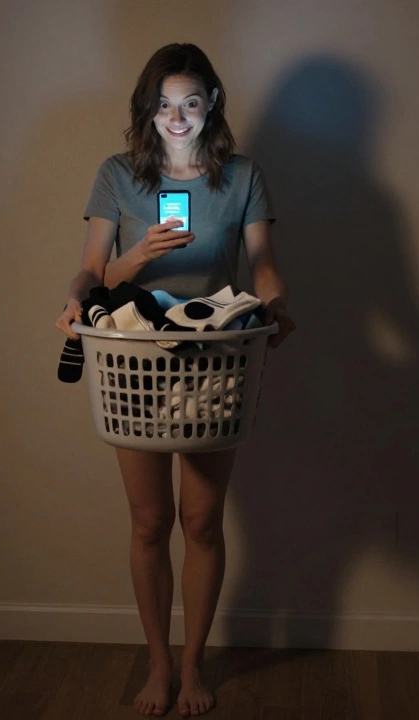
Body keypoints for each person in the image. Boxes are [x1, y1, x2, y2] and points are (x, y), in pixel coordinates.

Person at [55, 43, 294, 717]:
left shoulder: (242, 176)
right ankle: (158, 665)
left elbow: (264, 267)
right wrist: (137, 256)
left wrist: (278, 304)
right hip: (136, 362)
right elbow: (89, 276)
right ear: (147, 108)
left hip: (215, 363)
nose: (177, 117)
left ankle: (193, 669)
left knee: (202, 522)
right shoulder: (117, 175)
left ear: (211, 102)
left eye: (190, 102)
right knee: (150, 521)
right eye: (164, 104)